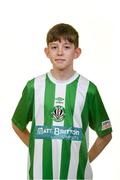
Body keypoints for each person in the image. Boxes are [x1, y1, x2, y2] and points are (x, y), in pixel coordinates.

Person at [12, 23, 112, 180]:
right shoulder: (34, 87)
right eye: (54, 47)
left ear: (76, 52)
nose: (60, 52)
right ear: (47, 52)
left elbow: (105, 134)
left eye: (66, 47)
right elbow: (17, 124)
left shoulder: (88, 89)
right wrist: (35, 146)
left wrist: (85, 160)